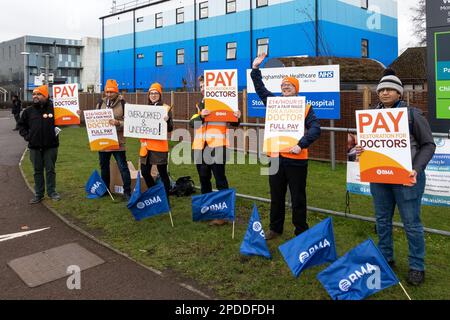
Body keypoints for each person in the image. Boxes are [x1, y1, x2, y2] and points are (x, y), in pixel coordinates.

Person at [356, 69, 436, 286]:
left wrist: (416, 169)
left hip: (406, 178)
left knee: (411, 224)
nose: (384, 93)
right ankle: (385, 259)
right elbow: (364, 147)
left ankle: (417, 266)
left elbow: (429, 144)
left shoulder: (412, 114)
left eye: (390, 89)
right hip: (379, 177)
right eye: (381, 89)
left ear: (399, 93)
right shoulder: (371, 115)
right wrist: (360, 150)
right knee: (382, 221)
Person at [250, 53, 321, 240]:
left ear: (296, 89)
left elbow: (316, 129)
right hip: (275, 158)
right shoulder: (274, 103)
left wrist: (301, 144)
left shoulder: (305, 106)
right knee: (276, 196)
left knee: (298, 198)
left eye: (289, 85)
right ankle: (275, 228)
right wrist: (256, 69)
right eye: (282, 86)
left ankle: (301, 231)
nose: (285, 87)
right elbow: (260, 89)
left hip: (296, 159)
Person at [190, 75, 241, 226]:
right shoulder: (199, 105)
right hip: (200, 148)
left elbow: (235, 122)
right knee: (204, 180)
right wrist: (201, 115)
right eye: (201, 87)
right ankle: (206, 211)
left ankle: (223, 215)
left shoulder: (223, 103)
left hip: (218, 147)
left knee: (220, 180)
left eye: (206, 86)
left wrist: (237, 116)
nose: (203, 89)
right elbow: (192, 123)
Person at [17, 85, 61, 204]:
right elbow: (21, 125)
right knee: (37, 171)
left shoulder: (55, 109)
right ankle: (39, 194)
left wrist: (76, 114)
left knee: (50, 170)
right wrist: (28, 136)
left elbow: (66, 120)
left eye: (39, 94)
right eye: (34, 94)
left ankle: (52, 192)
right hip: (34, 147)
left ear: (46, 96)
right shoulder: (28, 111)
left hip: (51, 146)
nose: (35, 96)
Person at [96, 79, 132, 200]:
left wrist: (118, 123)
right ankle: (106, 190)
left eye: (111, 92)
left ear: (116, 92)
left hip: (118, 142)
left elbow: (130, 122)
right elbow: (94, 118)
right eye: (107, 92)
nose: (109, 94)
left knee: (123, 167)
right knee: (104, 166)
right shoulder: (100, 103)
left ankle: (127, 192)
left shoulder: (123, 104)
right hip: (103, 141)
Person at [139, 83, 174, 198]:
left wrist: (167, 120)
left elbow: (170, 128)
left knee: (163, 173)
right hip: (146, 147)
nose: (153, 95)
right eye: (151, 93)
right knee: (144, 172)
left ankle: (165, 197)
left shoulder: (165, 108)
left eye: (156, 93)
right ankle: (155, 194)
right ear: (148, 95)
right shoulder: (144, 109)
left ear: (160, 94)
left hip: (159, 147)